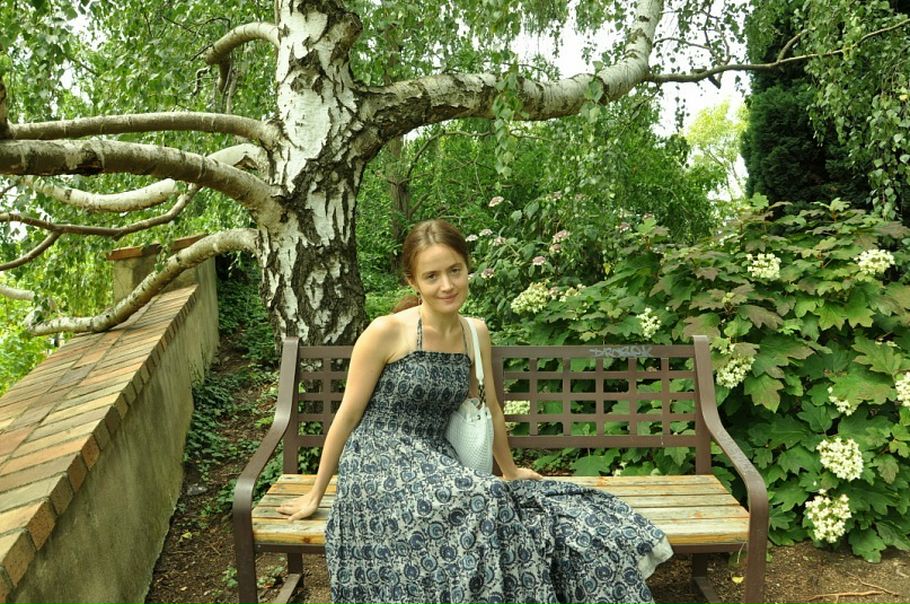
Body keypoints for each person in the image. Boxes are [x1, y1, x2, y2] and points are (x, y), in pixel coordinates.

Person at [277, 219, 672, 603]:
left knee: (518, 504)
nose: (447, 285)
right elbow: (347, 416)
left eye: (455, 270)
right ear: (413, 282)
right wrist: (317, 492)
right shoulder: (387, 331)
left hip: (434, 455)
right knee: (484, 497)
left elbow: (491, 406)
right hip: (377, 459)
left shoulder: (474, 332)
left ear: (468, 268)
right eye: (432, 276)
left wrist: (510, 470)